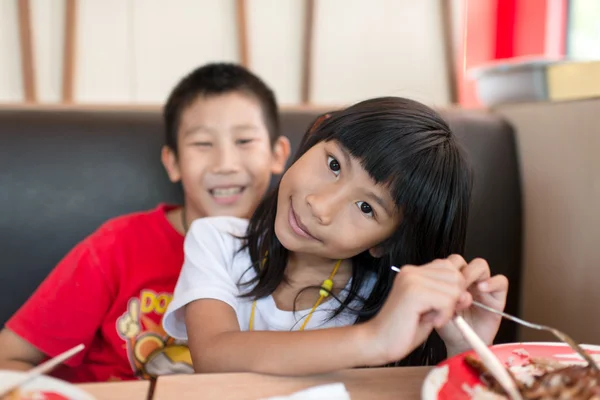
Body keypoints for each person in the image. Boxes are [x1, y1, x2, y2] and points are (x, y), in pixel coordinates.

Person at [162, 96, 509, 375]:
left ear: (385, 242)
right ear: (316, 133)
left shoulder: (394, 301)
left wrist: (466, 350)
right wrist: (373, 339)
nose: (320, 207)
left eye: (366, 208)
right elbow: (213, 355)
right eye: (333, 165)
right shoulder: (217, 240)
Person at [0, 63, 290, 382]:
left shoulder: (299, 248)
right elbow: (9, 357)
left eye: (244, 141)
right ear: (173, 162)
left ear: (278, 154)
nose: (225, 164)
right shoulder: (117, 246)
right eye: (203, 144)